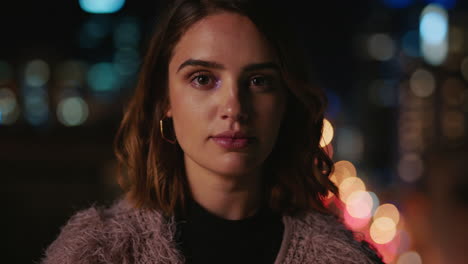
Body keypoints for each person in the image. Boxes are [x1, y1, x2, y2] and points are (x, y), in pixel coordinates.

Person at [42, 0, 383, 263]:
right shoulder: (98, 253)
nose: (234, 108)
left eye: (259, 81)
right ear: (165, 99)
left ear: (286, 100)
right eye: (203, 79)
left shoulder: (343, 259)